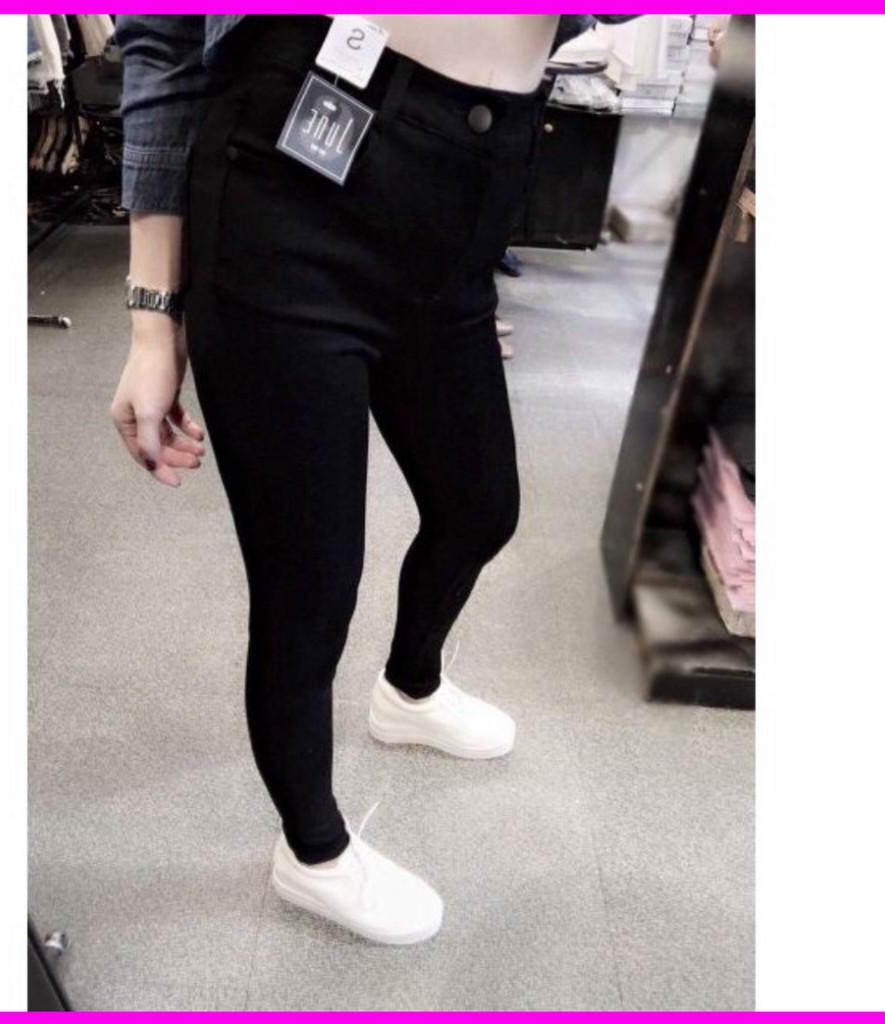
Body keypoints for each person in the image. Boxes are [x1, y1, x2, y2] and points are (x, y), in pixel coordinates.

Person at [111, 14, 631, 946]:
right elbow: (164, 36)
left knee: (480, 506)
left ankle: (409, 689)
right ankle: (312, 852)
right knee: (308, 587)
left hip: (466, 202)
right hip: (293, 189)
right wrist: (155, 321)